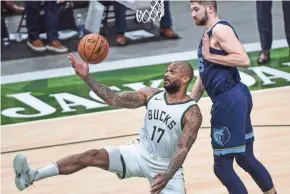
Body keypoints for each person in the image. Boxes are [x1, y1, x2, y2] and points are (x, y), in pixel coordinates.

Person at [13, 55, 202, 194]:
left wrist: (168, 175)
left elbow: (183, 148)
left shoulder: (192, 112)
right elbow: (114, 99)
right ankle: (30, 176)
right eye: (167, 70)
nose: (166, 74)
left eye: (172, 71)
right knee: (90, 156)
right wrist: (87, 78)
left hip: (166, 167)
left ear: (185, 79)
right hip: (138, 153)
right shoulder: (151, 94)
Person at [189, 1, 276, 194]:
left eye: (196, 9)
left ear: (210, 8)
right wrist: (190, 101)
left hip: (228, 100)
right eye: (191, 10)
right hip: (235, 97)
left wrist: (211, 56)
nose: (192, 14)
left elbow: (244, 60)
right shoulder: (208, 33)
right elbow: (205, 73)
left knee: (222, 167)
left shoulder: (220, 30)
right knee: (245, 158)